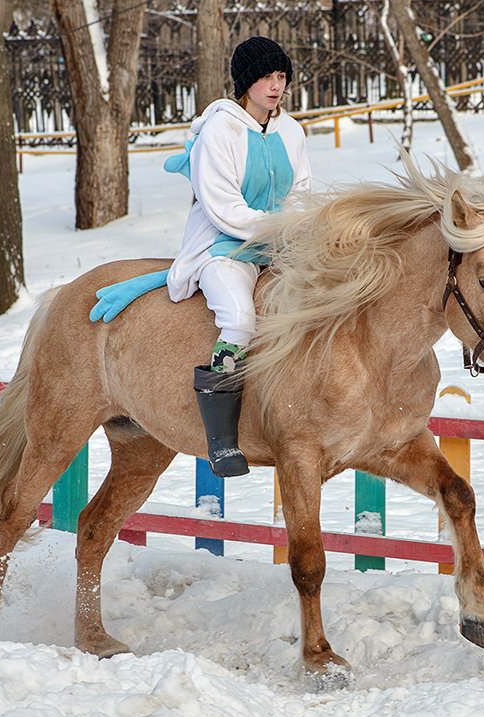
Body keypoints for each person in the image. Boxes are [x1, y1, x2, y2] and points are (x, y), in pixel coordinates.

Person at [90, 36, 311, 478]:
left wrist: (295, 232)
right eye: (267, 76)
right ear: (246, 82)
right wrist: (275, 230)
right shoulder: (220, 129)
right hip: (222, 247)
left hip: (282, 248)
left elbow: (301, 193)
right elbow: (222, 207)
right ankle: (223, 440)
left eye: (282, 76)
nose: (276, 86)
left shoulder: (292, 131)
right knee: (240, 316)